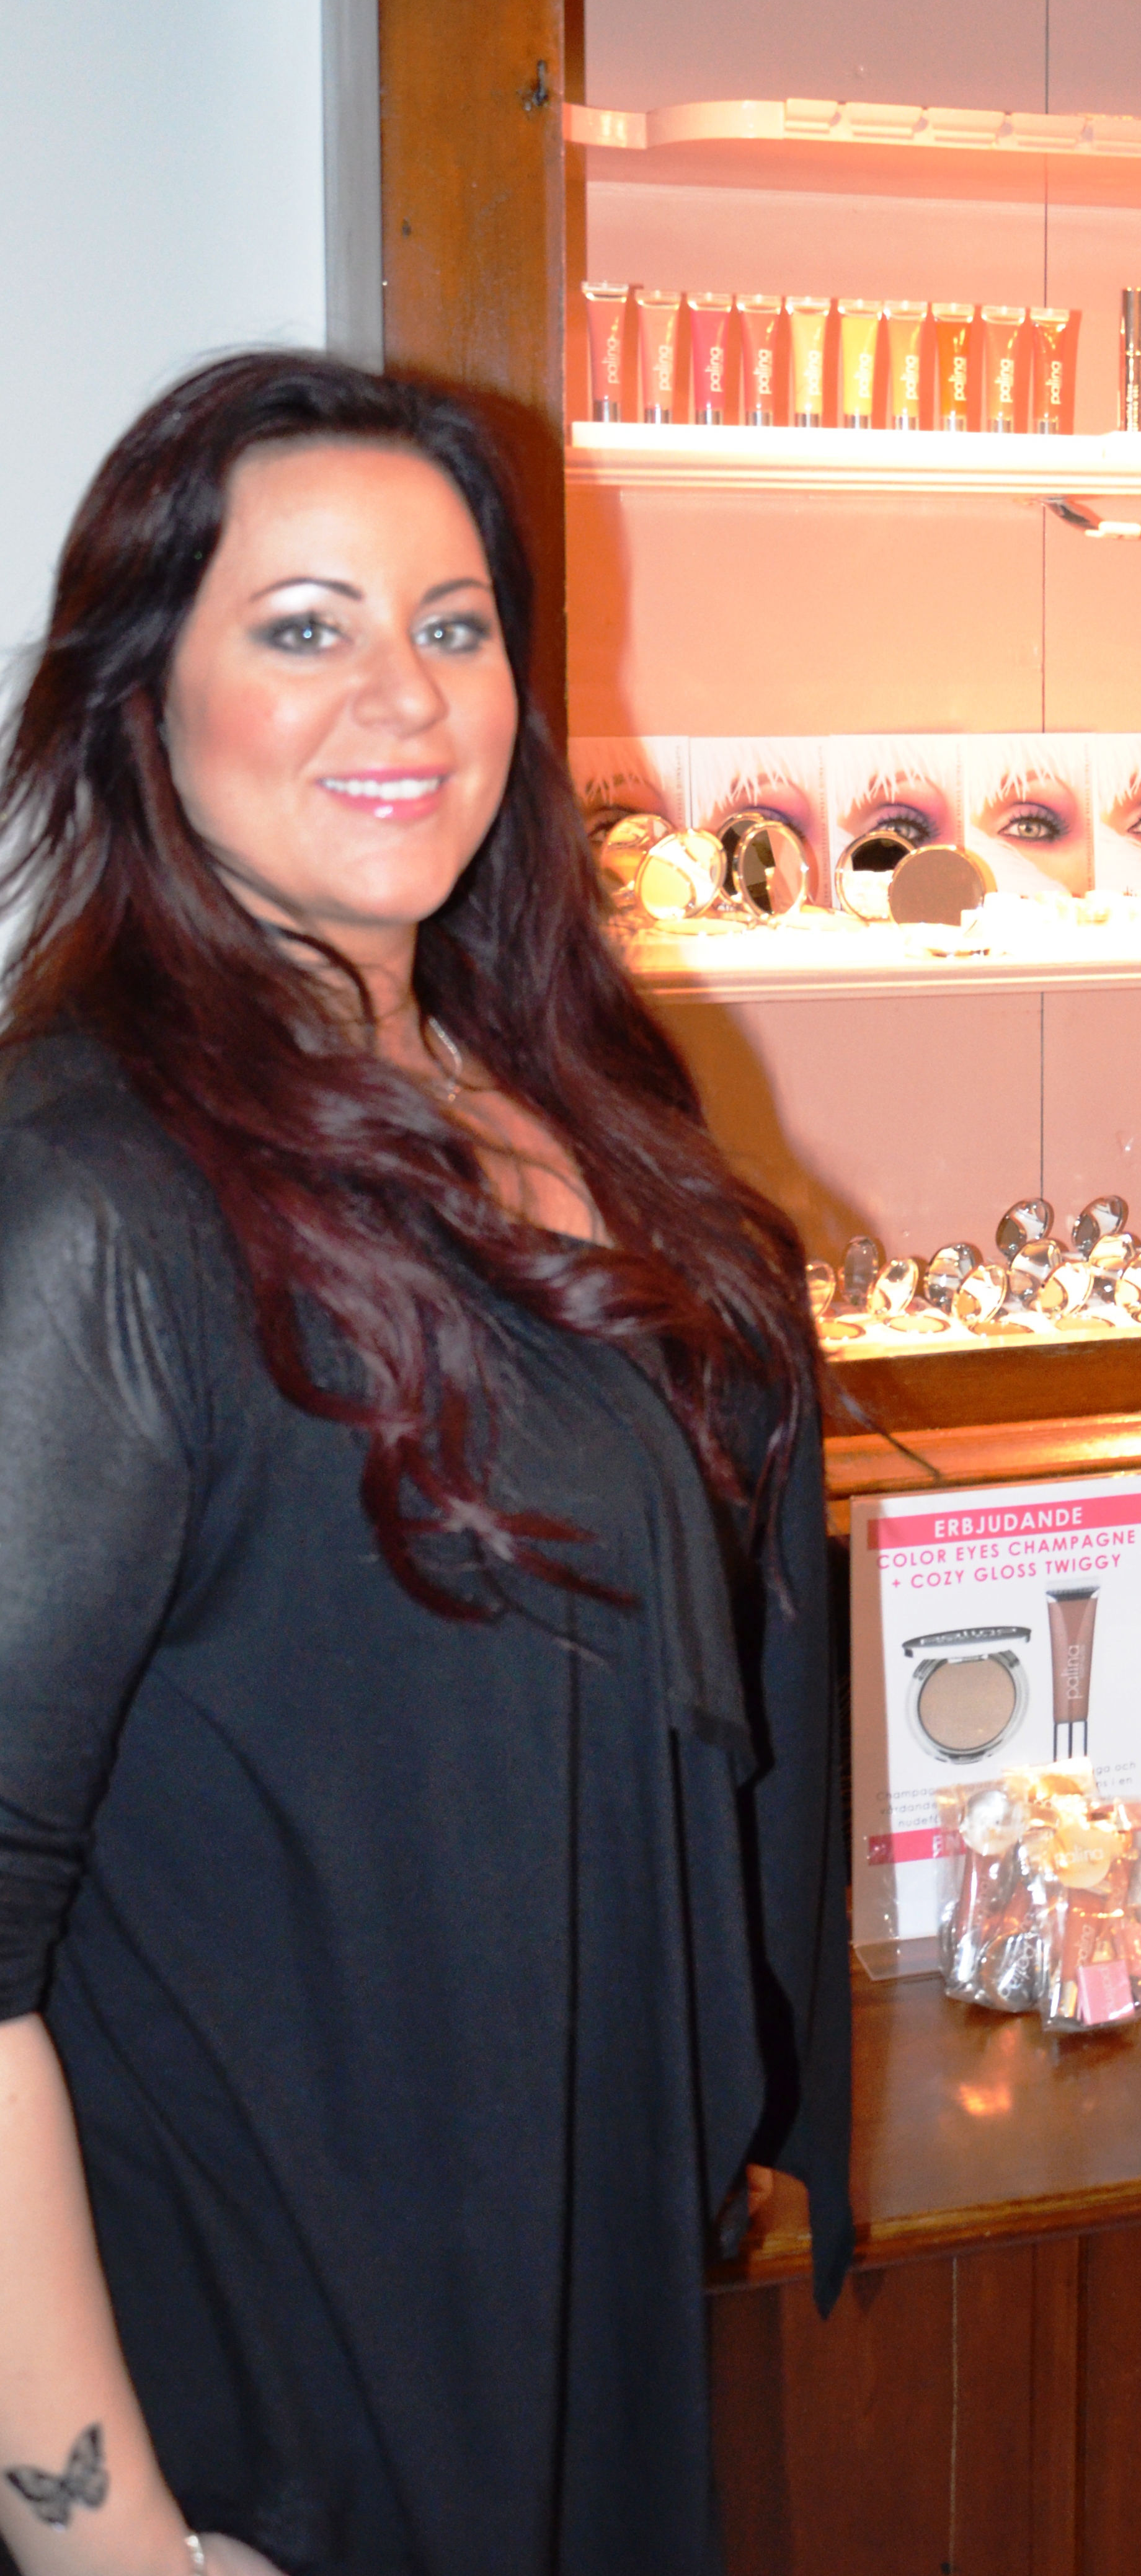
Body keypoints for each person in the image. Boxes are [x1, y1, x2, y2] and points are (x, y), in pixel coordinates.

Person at [0, 353, 851, 2576]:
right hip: (285, 2385)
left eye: (453, 624)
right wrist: (104, 2541)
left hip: (556, 2273)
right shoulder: (96, 1196)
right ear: (142, 700)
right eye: (305, 627)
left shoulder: (552, 1081)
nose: (404, 696)